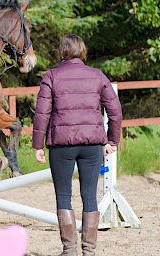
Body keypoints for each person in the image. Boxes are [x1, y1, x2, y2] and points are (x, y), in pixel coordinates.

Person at [31, 34, 122, 256]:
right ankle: (89, 251)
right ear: (82, 51)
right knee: (89, 196)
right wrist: (112, 140)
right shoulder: (97, 76)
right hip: (92, 144)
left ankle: (69, 251)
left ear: (62, 52)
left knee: (63, 195)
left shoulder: (51, 76)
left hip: (61, 144)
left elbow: (41, 114)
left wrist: (37, 145)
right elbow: (115, 111)